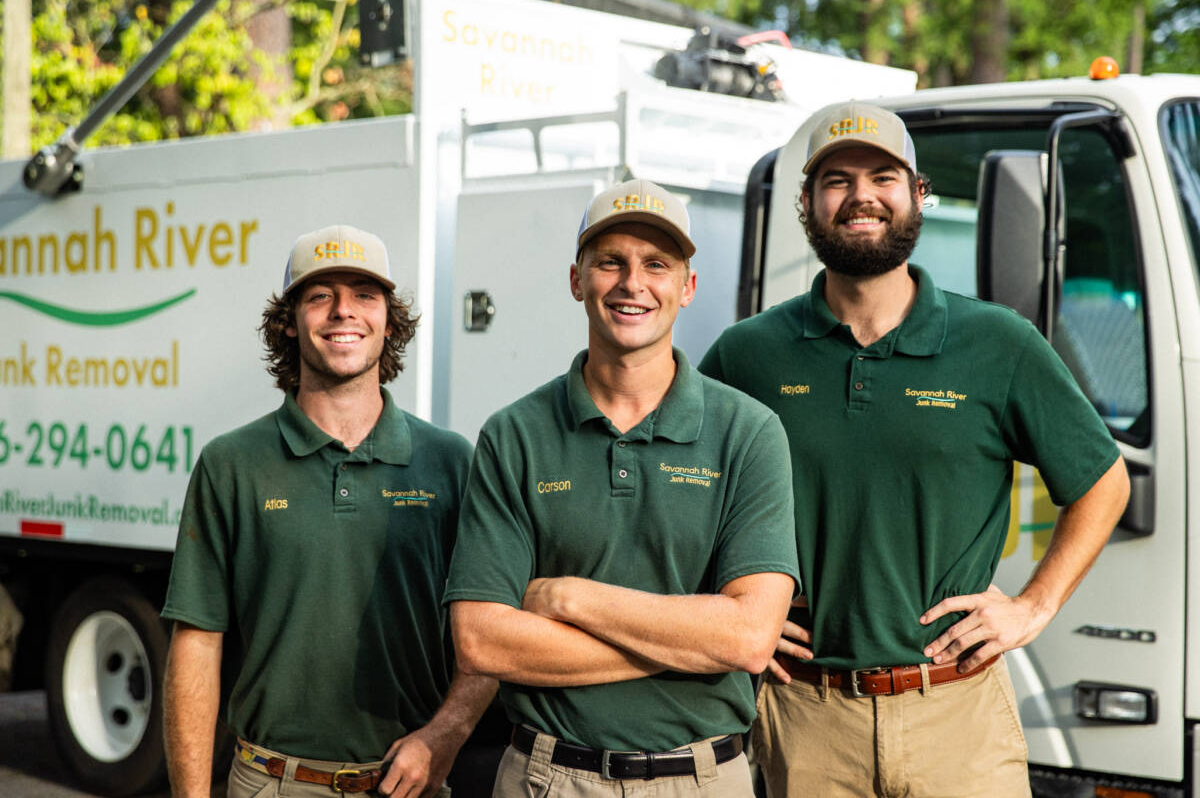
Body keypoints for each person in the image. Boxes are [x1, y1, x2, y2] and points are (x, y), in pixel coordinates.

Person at [699, 101, 1131, 797]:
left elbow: (1104, 483)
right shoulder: (747, 355)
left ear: (917, 195)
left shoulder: (1000, 344)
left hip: (958, 715)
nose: (861, 195)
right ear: (806, 204)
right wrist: (726, 604)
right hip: (805, 720)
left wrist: (1033, 606)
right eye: (836, 180)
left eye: (884, 176)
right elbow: (681, 490)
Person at [445, 179, 799, 797]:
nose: (632, 283)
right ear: (577, 280)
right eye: (611, 261)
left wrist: (566, 598)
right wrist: (694, 643)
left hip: (702, 780)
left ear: (687, 288)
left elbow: (748, 636)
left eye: (656, 265)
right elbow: (481, 641)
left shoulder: (749, 432)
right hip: (546, 779)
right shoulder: (514, 435)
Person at [161, 224, 496, 798]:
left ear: (389, 319)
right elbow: (197, 644)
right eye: (320, 296)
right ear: (289, 321)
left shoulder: (450, 462)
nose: (344, 311)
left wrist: (445, 736)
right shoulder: (231, 464)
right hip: (271, 782)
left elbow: (490, 630)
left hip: (408, 785)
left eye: (365, 295)